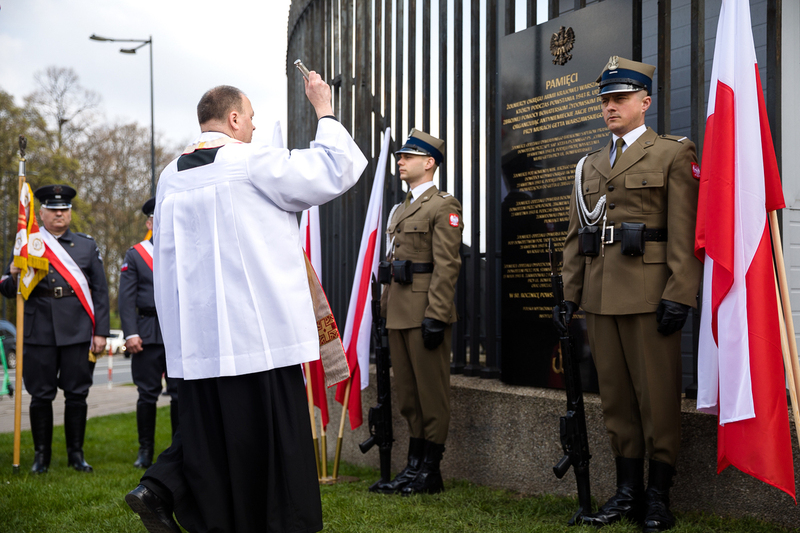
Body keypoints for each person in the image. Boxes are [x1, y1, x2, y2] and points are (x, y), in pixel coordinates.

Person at [124, 74, 367, 533]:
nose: (254, 127)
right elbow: (335, 168)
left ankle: (174, 496)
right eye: (251, 118)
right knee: (276, 448)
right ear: (233, 119)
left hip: (198, 344)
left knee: (212, 446)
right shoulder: (249, 161)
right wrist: (324, 109)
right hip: (259, 340)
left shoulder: (170, 176)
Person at [555, 57, 702, 532]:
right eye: (605, 99)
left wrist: (680, 292)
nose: (610, 106)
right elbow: (578, 236)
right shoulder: (589, 164)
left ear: (645, 102)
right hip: (600, 298)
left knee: (657, 399)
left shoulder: (672, 153)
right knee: (616, 400)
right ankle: (627, 493)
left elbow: (685, 231)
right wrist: (570, 295)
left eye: (620, 98)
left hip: (650, 296)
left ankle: (658, 497)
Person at [0, 184, 110, 474]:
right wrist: (13, 274)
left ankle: (76, 454)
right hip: (39, 330)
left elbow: (100, 291)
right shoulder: (26, 244)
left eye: (64, 209)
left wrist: (100, 332)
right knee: (41, 395)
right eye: (53, 209)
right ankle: (41, 456)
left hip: (77, 329)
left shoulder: (87, 245)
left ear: (70, 213)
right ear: (42, 213)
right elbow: (8, 289)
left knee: (77, 393)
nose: (59, 214)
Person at [378, 129, 463, 495]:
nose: (400, 161)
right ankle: (414, 466)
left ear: (429, 162)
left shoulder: (443, 205)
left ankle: (431, 470)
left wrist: (437, 314)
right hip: (399, 311)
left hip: (425, 310)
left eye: (408, 156)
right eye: (400, 156)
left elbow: (447, 265)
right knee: (409, 396)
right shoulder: (400, 209)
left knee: (431, 394)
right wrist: (384, 311)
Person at [119, 197, 179, 469]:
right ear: (149, 223)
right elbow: (126, 299)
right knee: (146, 393)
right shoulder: (136, 254)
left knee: (180, 393)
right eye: (157, 218)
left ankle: (180, 448)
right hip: (146, 332)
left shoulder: (184, 250)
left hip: (178, 332)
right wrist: (130, 333)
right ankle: (145, 450)